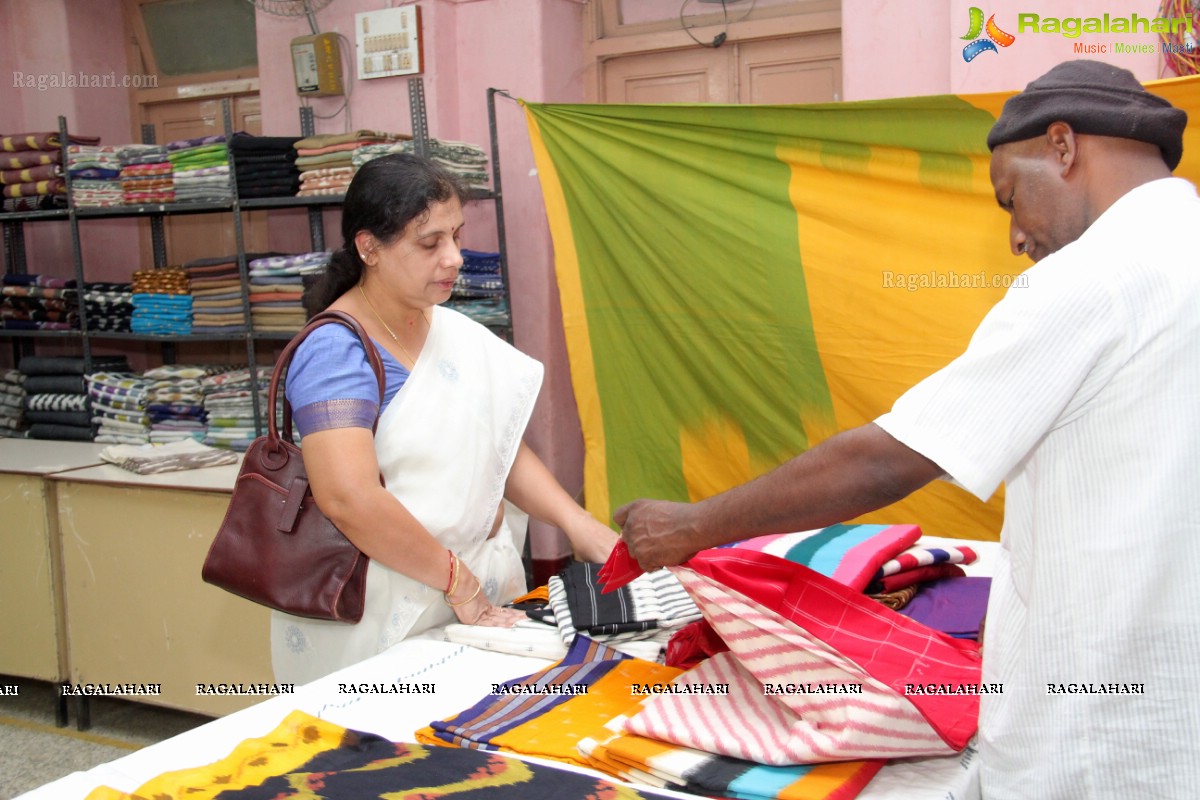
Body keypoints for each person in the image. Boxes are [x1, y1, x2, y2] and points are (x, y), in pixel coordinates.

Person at [614, 60, 1200, 799]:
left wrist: (692, 525)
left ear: (1062, 147)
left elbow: (890, 459)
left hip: (1099, 724)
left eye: (1011, 199)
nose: (1017, 236)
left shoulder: (1094, 276)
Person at [273, 153, 618, 685]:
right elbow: (349, 499)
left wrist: (578, 525)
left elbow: (497, 449)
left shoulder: (450, 331)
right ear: (369, 248)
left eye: (456, 235)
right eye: (430, 243)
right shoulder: (336, 351)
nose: (455, 257)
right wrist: (458, 581)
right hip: (382, 608)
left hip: (477, 592)